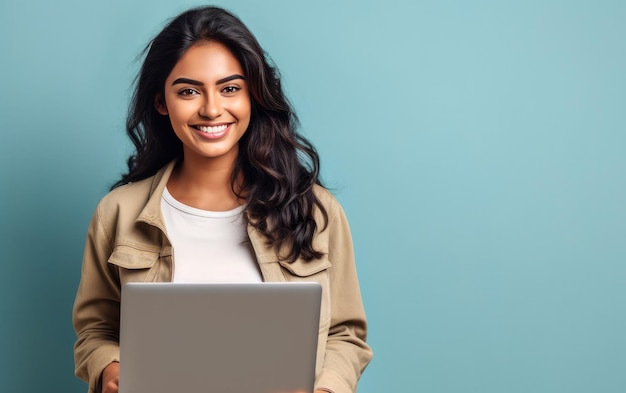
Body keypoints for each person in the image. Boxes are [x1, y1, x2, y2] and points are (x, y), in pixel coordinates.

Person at [72, 5, 372, 393]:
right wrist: (108, 370)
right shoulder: (118, 213)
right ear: (162, 102)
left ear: (253, 96)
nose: (212, 108)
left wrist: (324, 390)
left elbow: (345, 335)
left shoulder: (314, 210)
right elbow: (96, 330)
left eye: (230, 88)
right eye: (188, 91)